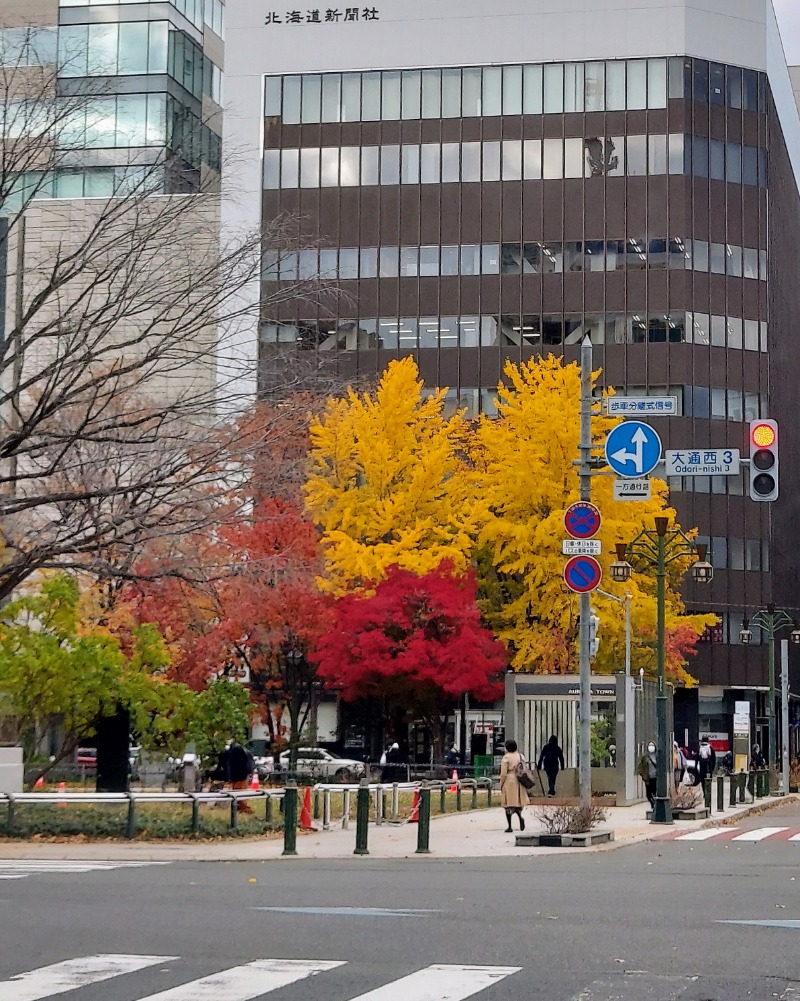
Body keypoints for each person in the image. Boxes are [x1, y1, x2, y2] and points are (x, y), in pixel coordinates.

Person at [499, 739, 528, 832]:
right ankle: (520, 816)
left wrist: (501, 784)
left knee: (508, 804)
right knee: (518, 802)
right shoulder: (521, 756)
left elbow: (503, 773)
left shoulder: (506, 758)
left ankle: (510, 826)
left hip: (510, 780)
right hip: (520, 779)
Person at [227, 739, 255, 814]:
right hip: (242, 775)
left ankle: (241, 808)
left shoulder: (233, 753)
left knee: (237, 793)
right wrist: (249, 772)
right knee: (241, 793)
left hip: (235, 776)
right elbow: (249, 765)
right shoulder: (244, 753)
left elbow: (230, 764)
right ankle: (244, 808)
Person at [637, 740, 658, 807]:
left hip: (656, 777)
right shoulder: (645, 757)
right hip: (648, 778)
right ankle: (652, 803)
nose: (651, 747)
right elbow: (641, 767)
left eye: (652, 745)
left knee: (655, 792)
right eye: (650, 745)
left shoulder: (658, 756)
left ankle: (655, 804)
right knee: (648, 794)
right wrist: (643, 776)